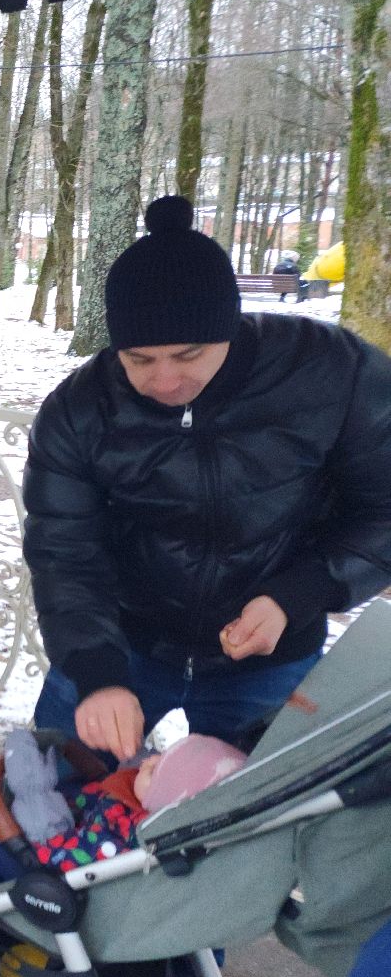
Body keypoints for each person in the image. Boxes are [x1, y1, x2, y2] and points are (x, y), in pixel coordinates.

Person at [22, 195, 391, 766]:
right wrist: (97, 673)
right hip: (122, 644)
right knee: (48, 795)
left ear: (230, 328)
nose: (165, 380)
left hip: (269, 658)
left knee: (244, 829)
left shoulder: (331, 372)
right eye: (139, 359)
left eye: (188, 354)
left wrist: (300, 593)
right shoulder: (80, 410)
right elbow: (64, 552)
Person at [0, 734, 248, 900]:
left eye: (158, 770)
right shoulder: (149, 818)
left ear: (167, 802)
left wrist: (29, 812)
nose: (153, 759)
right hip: (83, 828)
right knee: (78, 785)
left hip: (55, 872)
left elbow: (58, 858)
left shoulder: (123, 840)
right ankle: (0, 805)